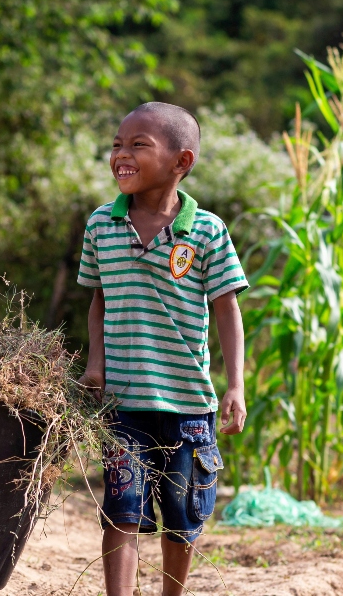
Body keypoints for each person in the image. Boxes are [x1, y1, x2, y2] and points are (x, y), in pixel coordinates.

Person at [77, 102, 249, 596]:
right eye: (117, 144)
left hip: (188, 406)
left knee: (182, 516)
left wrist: (235, 384)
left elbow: (226, 310)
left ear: (181, 161)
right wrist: (96, 364)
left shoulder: (207, 231)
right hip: (122, 404)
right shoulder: (100, 226)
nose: (121, 154)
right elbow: (99, 301)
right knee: (121, 509)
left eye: (138, 145)